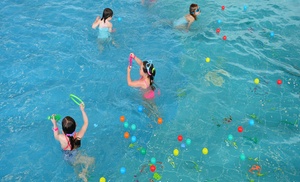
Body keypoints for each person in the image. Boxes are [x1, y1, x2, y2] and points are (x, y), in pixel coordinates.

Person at [50, 103, 93, 182]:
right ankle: (84, 173)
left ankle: (79, 175)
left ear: (63, 130)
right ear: (76, 125)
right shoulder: (78, 136)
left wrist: (54, 123)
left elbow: (56, 135)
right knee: (91, 161)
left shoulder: (61, 138)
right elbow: (86, 123)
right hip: (75, 154)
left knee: (75, 166)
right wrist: (82, 110)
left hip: (66, 156)